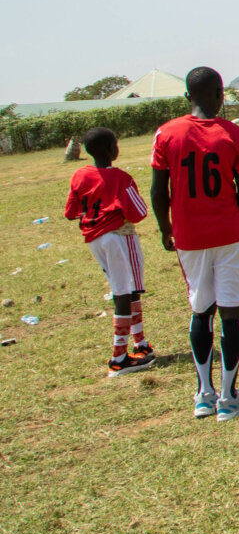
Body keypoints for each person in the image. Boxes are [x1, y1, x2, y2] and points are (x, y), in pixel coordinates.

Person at [149, 66, 239, 421]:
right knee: (231, 310)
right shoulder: (232, 134)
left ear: (187, 97)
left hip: (189, 237)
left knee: (201, 309)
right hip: (229, 234)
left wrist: (165, 228)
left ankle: (203, 394)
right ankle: (228, 398)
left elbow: (158, 189)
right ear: (220, 94)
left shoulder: (166, 133)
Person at [64, 126, 154, 376]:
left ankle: (141, 345)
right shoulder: (121, 178)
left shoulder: (79, 175)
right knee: (124, 292)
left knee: (126, 289)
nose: (118, 147)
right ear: (108, 149)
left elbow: (71, 212)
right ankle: (119, 358)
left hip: (95, 240)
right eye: (116, 143)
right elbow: (139, 212)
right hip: (119, 237)